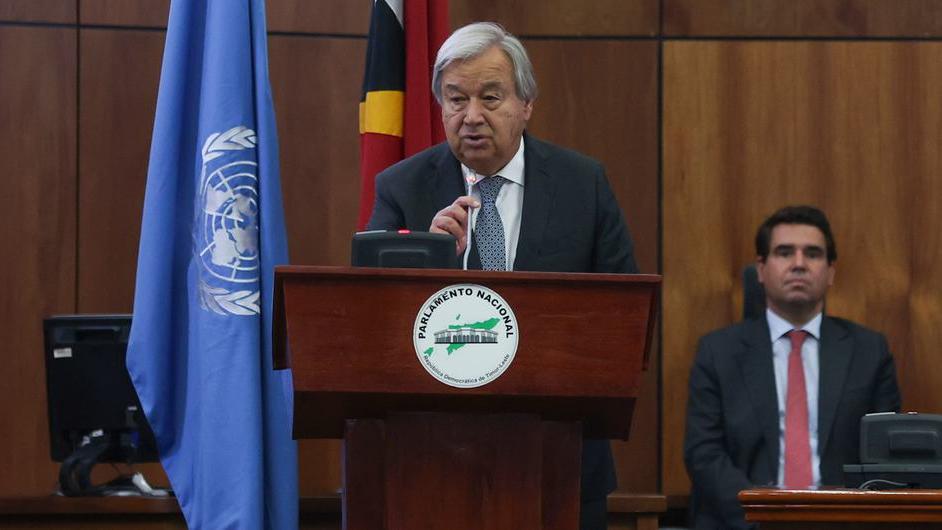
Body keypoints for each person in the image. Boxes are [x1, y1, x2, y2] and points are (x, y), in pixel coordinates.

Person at [367, 21, 638, 530]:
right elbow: (369, 325)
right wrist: (430, 259)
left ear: (526, 104)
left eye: (490, 98)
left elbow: (624, 319)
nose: (471, 116)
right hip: (428, 462)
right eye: (456, 99)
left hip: (559, 459)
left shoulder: (583, 186)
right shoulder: (402, 189)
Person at [683, 205, 901, 529]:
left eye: (812, 254)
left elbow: (884, 459)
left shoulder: (869, 352)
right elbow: (704, 454)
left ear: (830, 272)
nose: (799, 264)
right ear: (761, 269)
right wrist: (762, 517)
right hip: (744, 523)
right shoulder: (718, 352)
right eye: (785, 253)